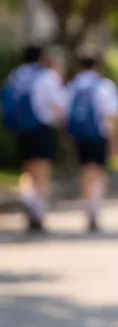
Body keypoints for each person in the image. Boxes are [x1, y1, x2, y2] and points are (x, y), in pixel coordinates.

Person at [1, 44, 67, 232]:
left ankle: (28, 197)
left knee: (28, 169)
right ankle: (38, 212)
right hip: (41, 128)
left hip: (21, 130)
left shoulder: (16, 75)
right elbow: (59, 105)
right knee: (42, 171)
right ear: (40, 57)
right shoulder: (46, 76)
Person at [65, 53, 118, 233]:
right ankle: (95, 209)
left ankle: (87, 207)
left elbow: (65, 113)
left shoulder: (73, 86)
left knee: (85, 172)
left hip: (80, 136)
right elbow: (111, 115)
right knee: (98, 172)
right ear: (97, 66)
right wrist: (116, 140)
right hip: (99, 135)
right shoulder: (104, 85)